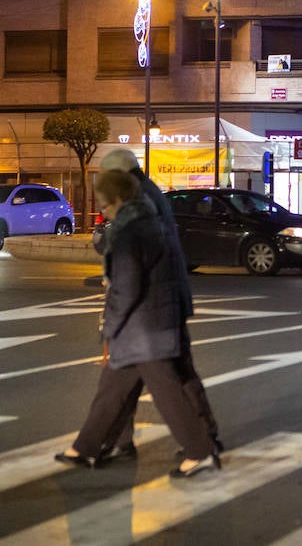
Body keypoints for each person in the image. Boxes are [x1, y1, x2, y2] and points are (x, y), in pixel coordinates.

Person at [56, 170, 218, 476]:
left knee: (166, 392)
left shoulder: (129, 232)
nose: (102, 210)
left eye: (103, 204)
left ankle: (200, 451)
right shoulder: (152, 222)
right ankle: (85, 448)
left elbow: (126, 287)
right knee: (112, 388)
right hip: (154, 321)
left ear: (116, 199)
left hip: (142, 327)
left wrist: (110, 326)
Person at [92, 147, 220, 462]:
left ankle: (122, 441)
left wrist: (104, 241)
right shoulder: (150, 192)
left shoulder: (135, 201)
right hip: (164, 300)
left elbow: (124, 248)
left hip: (149, 306)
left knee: (158, 374)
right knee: (159, 372)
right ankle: (200, 437)